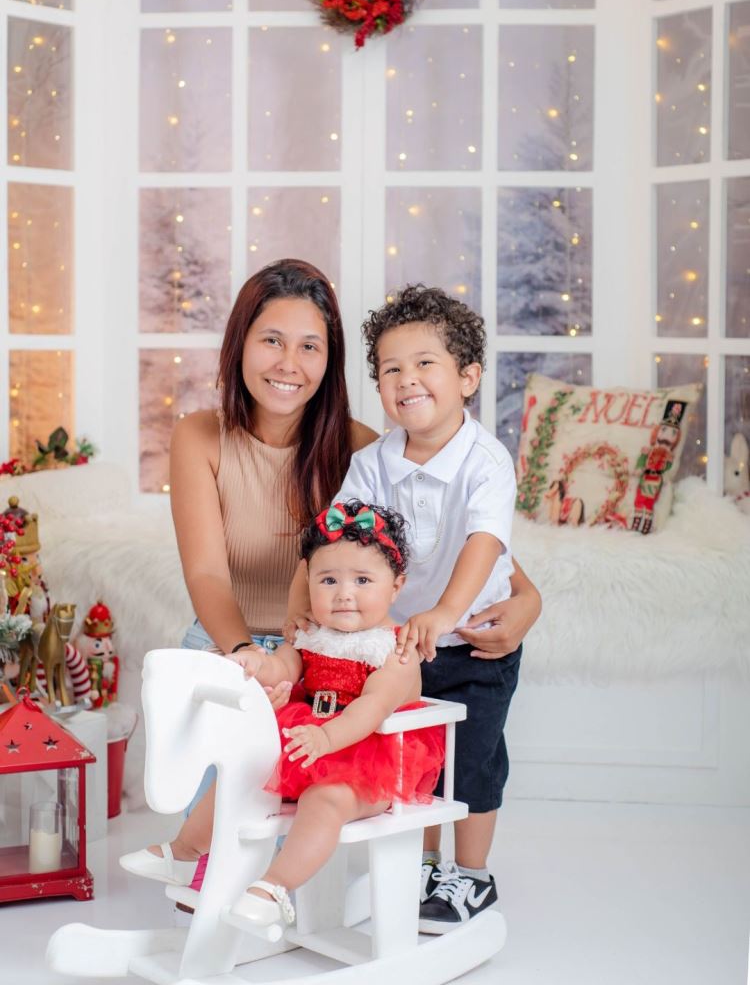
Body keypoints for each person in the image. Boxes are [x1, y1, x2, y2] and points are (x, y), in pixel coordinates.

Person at [121, 500, 444, 929]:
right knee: (245, 773)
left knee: (324, 801)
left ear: (396, 586)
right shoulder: (313, 635)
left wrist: (327, 738)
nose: (344, 593)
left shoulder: (395, 650)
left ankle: (273, 888)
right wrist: (255, 663)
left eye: (363, 580)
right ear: (308, 582)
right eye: (328, 580)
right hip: (310, 743)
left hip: (369, 761)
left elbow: (373, 706)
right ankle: (184, 853)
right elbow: (285, 667)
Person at [321, 283, 528, 933]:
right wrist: (325, 608)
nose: (406, 379)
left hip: (474, 644)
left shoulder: (486, 462)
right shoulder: (371, 464)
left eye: (425, 363)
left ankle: (473, 874)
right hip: (402, 648)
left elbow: (483, 541)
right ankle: (425, 865)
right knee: (416, 759)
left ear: (468, 377)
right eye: (391, 369)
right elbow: (340, 537)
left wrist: (444, 611)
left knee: (472, 763)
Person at [171, 258, 378, 805]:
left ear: (329, 359)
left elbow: (432, 537)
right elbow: (206, 573)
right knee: (210, 833)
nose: (289, 364)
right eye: (272, 341)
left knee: (286, 835)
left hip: (318, 659)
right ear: (240, 343)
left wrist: (524, 595)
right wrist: (247, 657)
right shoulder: (198, 436)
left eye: (309, 346)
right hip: (224, 647)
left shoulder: (361, 448)